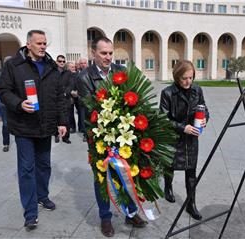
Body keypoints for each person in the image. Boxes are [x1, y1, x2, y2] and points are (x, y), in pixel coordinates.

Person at [0, 30, 69, 231]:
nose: (43, 46)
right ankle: (30, 212)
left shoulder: (52, 66)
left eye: (45, 42)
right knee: (27, 169)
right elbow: (3, 91)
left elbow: (60, 97)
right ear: (28, 44)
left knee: (44, 165)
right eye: (39, 43)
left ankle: (42, 196)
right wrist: (19, 104)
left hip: (46, 128)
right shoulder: (13, 65)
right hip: (23, 127)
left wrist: (63, 122)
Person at [77, 36, 147, 237]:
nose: (108, 57)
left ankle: (130, 212)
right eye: (103, 53)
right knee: (102, 178)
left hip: (123, 135)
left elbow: (133, 99)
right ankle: (105, 218)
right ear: (93, 54)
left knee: (127, 173)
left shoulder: (121, 71)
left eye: (110, 53)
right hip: (99, 137)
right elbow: (91, 107)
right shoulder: (84, 77)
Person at [159, 60, 209, 221]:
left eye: (191, 77)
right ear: (176, 77)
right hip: (173, 137)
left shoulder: (197, 90)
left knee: (191, 171)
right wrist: (182, 127)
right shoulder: (167, 93)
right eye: (184, 78)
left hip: (191, 138)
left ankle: (191, 203)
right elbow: (163, 119)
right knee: (170, 166)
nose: (188, 81)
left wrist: (204, 119)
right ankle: (168, 187)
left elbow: (204, 109)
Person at [0, 56, 12, 152]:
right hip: (5, 103)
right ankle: (6, 143)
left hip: (15, 103)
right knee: (5, 124)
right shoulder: (0, 74)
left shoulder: (16, 73)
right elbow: (0, 89)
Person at [54, 56, 72, 144]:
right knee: (56, 119)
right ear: (56, 62)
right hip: (55, 100)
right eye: (60, 61)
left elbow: (71, 85)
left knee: (66, 119)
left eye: (63, 61)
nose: (61, 62)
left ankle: (66, 137)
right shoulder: (53, 73)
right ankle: (56, 135)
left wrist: (65, 93)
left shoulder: (68, 73)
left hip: (66, 100)